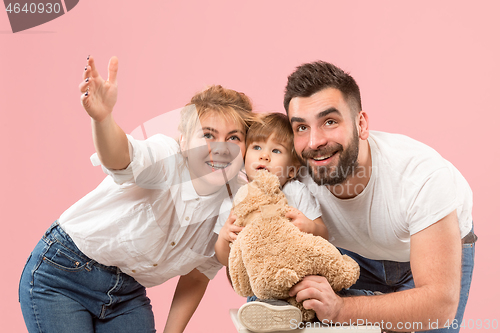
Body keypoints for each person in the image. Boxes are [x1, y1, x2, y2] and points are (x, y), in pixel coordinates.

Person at [19, 56, 255, 333]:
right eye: (207, 135)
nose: (220, 149)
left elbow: (198, 275)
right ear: (183, 140)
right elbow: (121, 158)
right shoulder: (166, 157)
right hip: (63, 272)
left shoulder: (238, 202)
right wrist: (103, 118)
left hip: (125, 292)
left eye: (234, 138)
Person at [281, 61, 475, 332]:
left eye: (329, 121)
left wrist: (339, 309)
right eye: (301, 127)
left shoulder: (421, 176)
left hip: (428, 248)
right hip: (352, 255)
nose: (314, 142)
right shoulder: (291, 175)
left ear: (361, 124)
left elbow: (438, 306)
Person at [214, 112, 329, 332]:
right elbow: (224, 259)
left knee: (313, 296)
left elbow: (324, 235)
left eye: (276, 151)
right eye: (257, 148)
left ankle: (302, 312)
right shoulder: (234, 201)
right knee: (259, 301)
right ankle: (270, 311)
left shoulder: (296, 191)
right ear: (244, 159)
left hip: (298, 280)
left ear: (292, 169)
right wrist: (224, 236)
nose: (264, 156)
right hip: (261, 286)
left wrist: (310, 226)